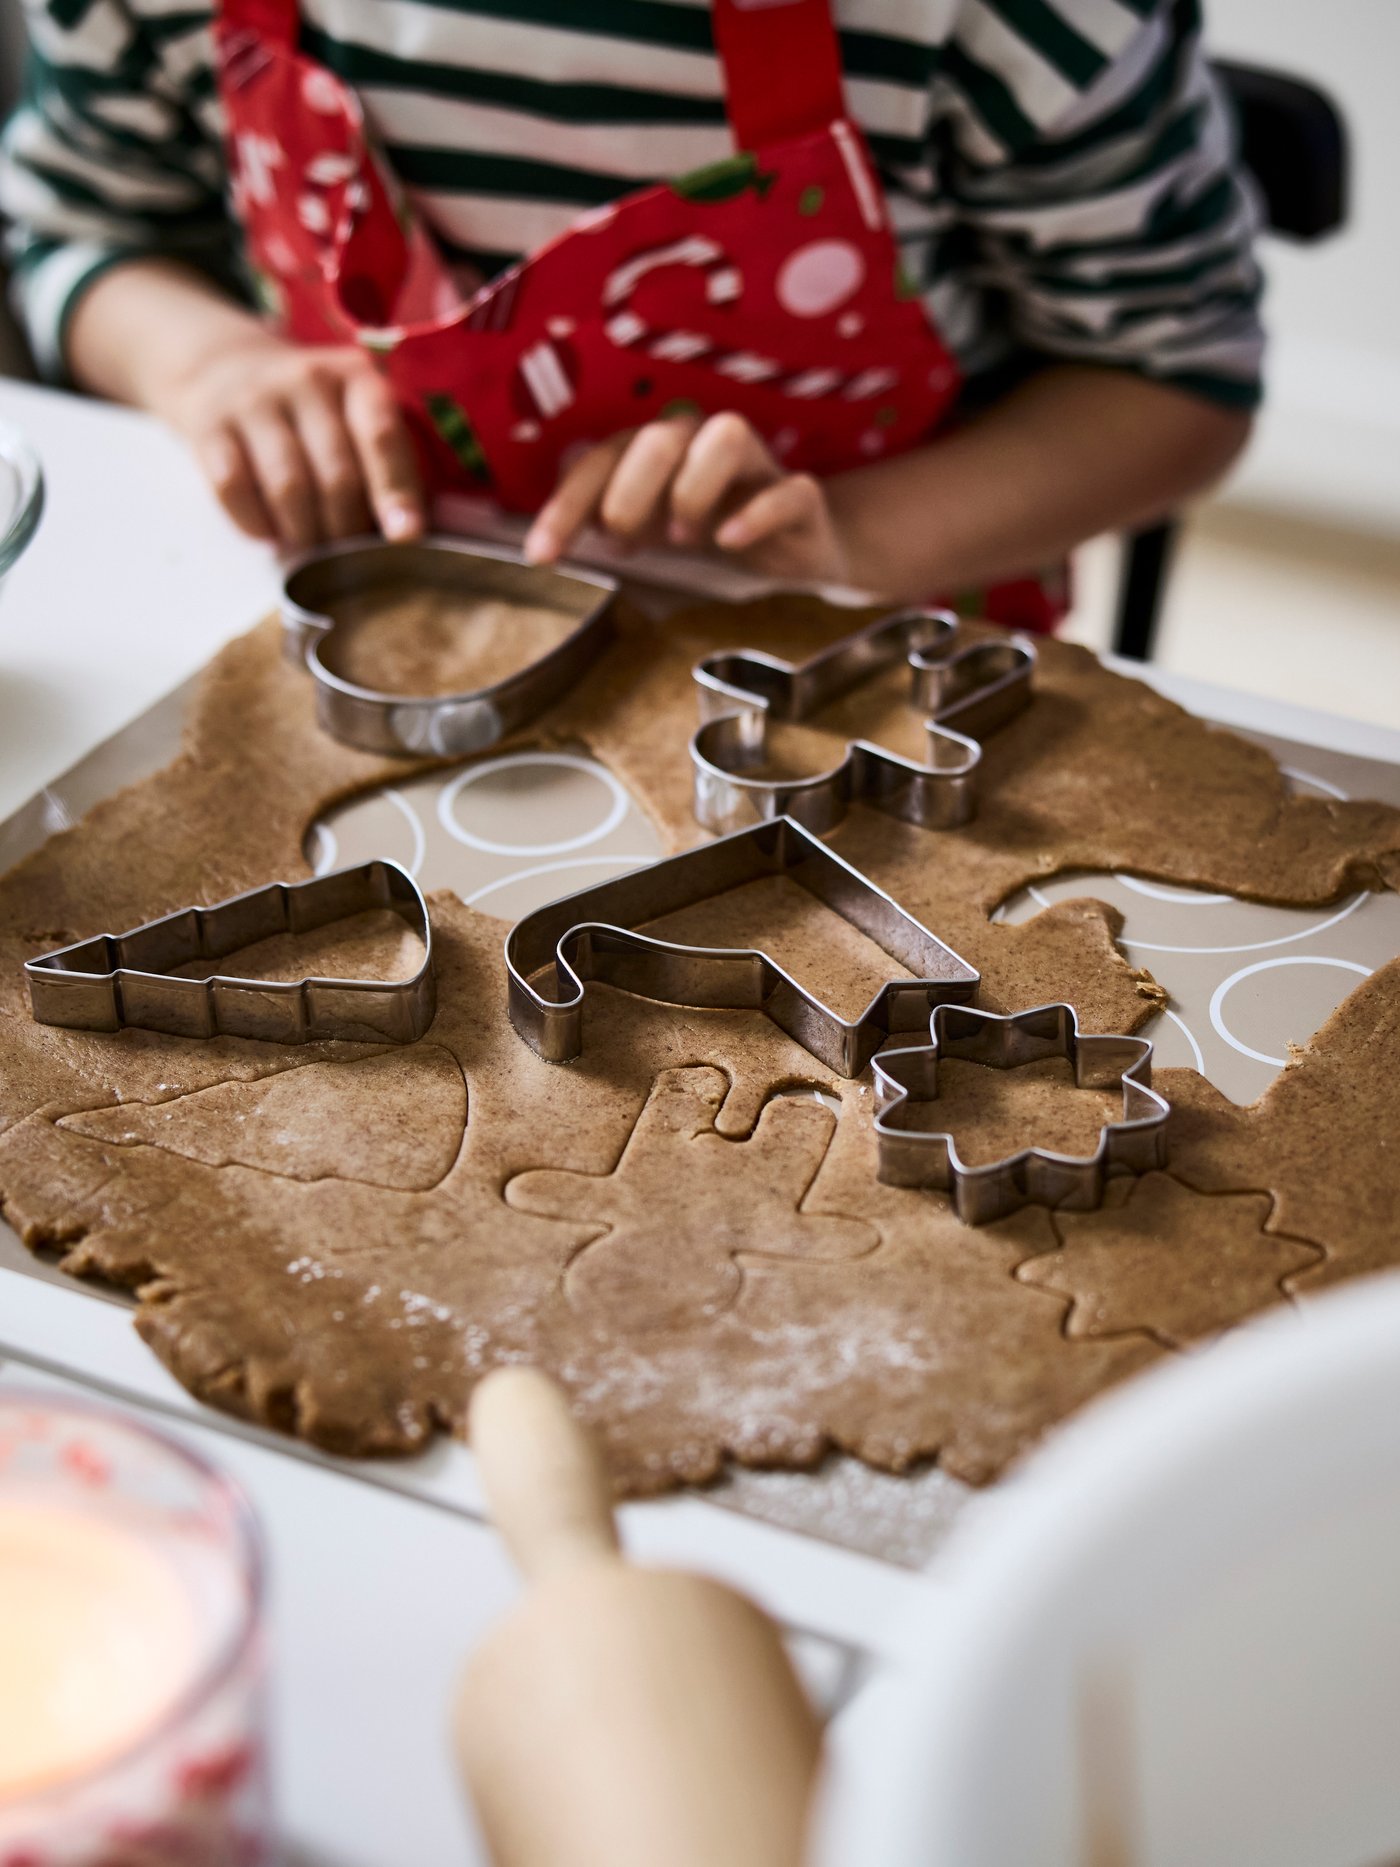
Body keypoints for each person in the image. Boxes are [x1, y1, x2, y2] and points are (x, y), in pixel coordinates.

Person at [0, 0, 1262, 614]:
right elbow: (67, 225)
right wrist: (204, 360)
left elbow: (1174, 378)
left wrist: (849, 536)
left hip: (861, 653)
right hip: (351, 600)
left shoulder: (1016, 20)